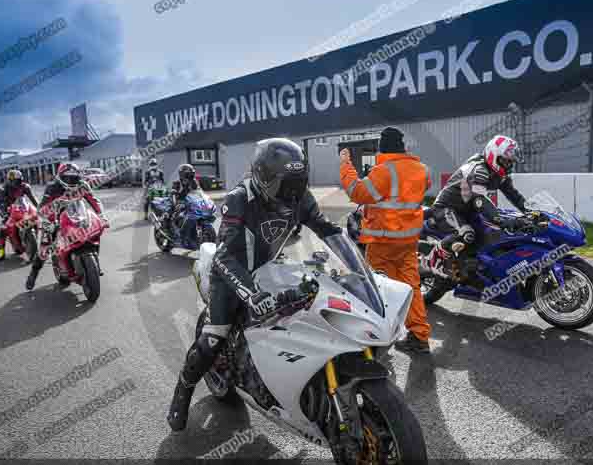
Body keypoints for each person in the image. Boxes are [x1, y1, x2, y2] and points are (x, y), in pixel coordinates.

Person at [167, 138, 342, 432]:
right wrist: (252, 294)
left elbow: (325, 228)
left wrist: (356, 259)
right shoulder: (239, 198)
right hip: (230, 272)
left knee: (299, 314)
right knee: (214, 338)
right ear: (262, 176)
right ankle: (183, 389)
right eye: (283, 184)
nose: (290, 192)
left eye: (297, 183)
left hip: (269, 267)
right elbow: (224, 255)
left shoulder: (299, 196)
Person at [340, 126, 431, 354]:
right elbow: (419, 189)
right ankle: (419, 336)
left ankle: (374, 339)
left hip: (383, 241)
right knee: (411, 287)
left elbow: (357, 192)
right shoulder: (422, 170)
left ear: (383, 148)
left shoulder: (384, 171)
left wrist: (345, 164)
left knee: (377, 289)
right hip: (408, 241)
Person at [430, 135, 528, 269]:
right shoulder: (479, 169)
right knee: (467, 233)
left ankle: (469, 267)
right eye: (506, 161)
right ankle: (435, 258)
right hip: (447, 208)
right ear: (494, 156)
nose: (509, 165)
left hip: (468, 211)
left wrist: (531, 212)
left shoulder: (500, 174)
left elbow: (514, 195)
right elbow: (479, 199)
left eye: (511, 162)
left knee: (490, 235)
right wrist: (499, 220)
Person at [25, 163, 106, 290]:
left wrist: (101, 216)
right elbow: (42, 208)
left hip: (77, 214)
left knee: (93, 232)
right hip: (54, 218)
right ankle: (33, 274)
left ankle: (95, 264)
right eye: (68, 177)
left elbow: (94, 200)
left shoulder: (83, 185)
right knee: (44, 249)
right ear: (60, 176)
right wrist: (46, 222)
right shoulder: (52, 187)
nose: (71, 180)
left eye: (74, 177)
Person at [0, 170, 39, 261]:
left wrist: (39, 207)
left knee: (38, 219)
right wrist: (4, 212)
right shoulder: (3, 189)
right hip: (9, 210)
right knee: (3, 230)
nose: (18, 183)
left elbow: (32, 198)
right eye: (16, 181)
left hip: (22, 208)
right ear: (10, 180)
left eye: (20, 180)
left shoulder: (25, 186)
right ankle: (1, 251)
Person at [171, 163, 200, 249]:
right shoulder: (177, 183)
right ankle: (179, 236)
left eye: (191, 174)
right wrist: (176, 202)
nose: (190, 176)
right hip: (180, 203)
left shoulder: (194, 182)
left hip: (191, 203)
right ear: (182, 174)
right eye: (188, 174)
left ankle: (193, 238)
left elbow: (199, 192)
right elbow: (173, 194)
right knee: (180, 217)